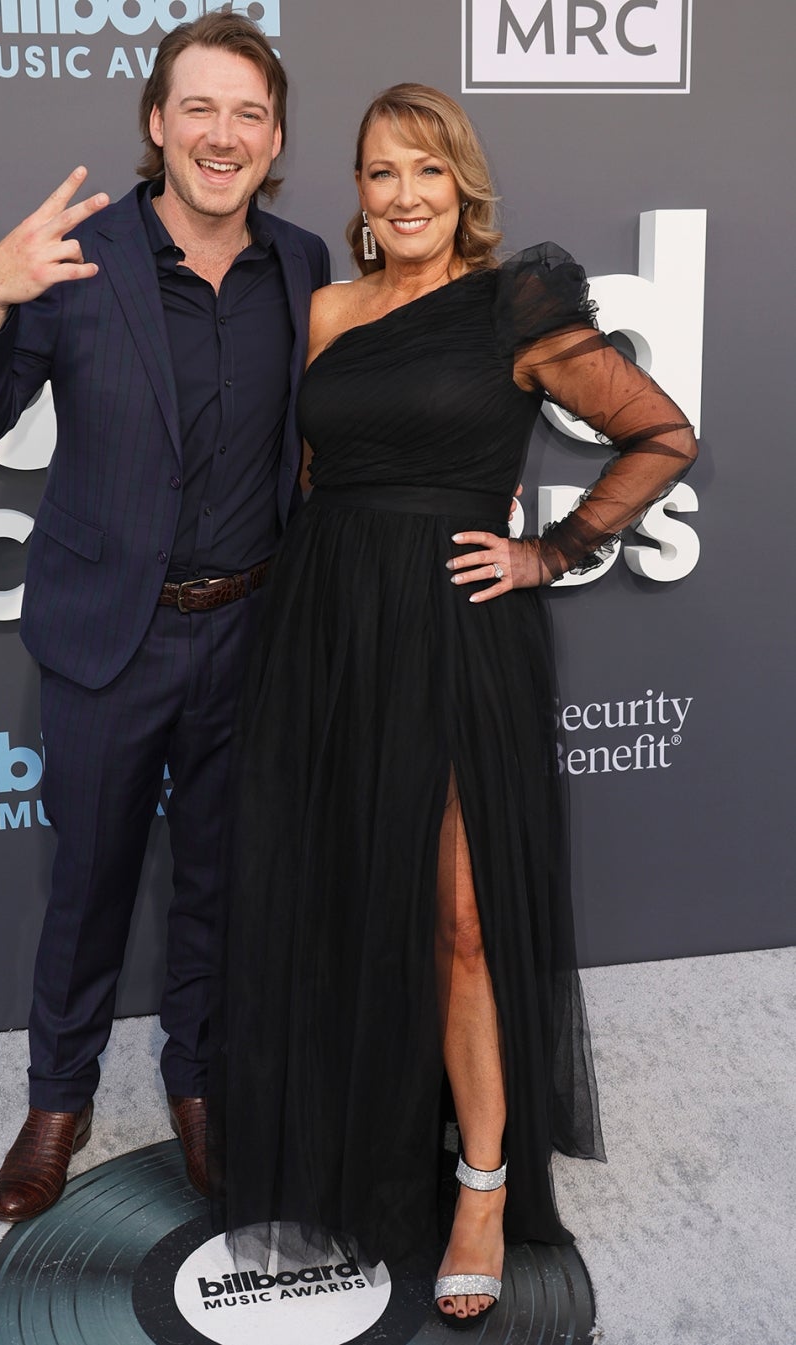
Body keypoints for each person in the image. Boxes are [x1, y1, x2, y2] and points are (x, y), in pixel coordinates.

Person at [217, 83, 698, 1321]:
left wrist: (550, 549)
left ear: (462, 184)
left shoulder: (513, 304)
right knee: (343, 896)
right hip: (330, 624)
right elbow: (314, 472)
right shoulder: (328, 309)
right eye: (382, 172)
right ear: (358, 194)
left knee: (463, 919)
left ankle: (483, 1181)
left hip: (454, 628)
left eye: (427, 169)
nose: (405, 194)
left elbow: (659, 433)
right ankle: (365, 1143)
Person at [0, 12, 330, 1221]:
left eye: (248, 113)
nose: (223, 134)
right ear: (157, 123)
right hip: (112, 633)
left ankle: (198, 1083)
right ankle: (57, 1100)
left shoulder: (303, 262)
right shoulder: (79, 258)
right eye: (198, 107)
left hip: (252, 631)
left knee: (221, 883)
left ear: (275, 140)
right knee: (89, 884)